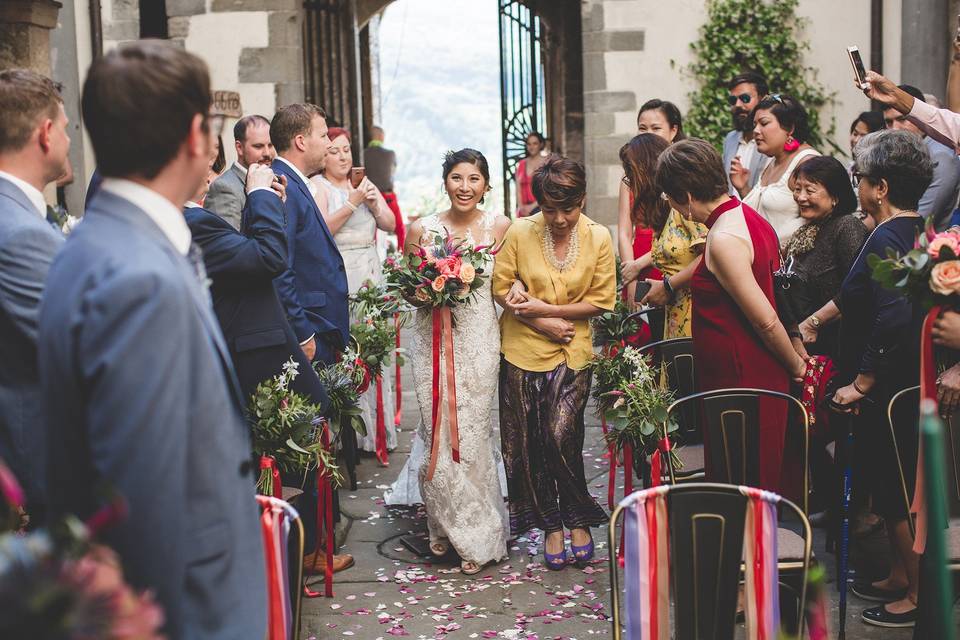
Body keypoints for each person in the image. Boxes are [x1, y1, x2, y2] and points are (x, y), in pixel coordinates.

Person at [38, 41, 266, 638]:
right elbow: (144, 494)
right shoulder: (140, 278)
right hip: (189, 604)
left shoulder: (95, 244)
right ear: (198, 135)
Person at [800, 130, 929, 628]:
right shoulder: (915, 228)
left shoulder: (886, 234)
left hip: (891, 390)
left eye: (860, 178)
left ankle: (917, 594)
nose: (857, 185)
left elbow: (892, 316)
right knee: (887, 482)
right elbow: (855, 295)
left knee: (896, 493)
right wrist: (814, 321)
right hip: (905, 382)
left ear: (880, 185)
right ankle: (899, 574)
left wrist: (865, 382)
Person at [656, 139, 806, 494]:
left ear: (687, 197)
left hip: (743, 379)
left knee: (744, 481)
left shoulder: (724, 237)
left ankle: (751, 549)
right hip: (740, 373)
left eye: (671, 199)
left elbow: (765, 318)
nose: (673, 207)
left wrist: (798, 368)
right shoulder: (749, 217)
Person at [494, 156, 615, 571]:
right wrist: (543, 320)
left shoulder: (599, 237)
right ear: (538, 204)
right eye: (550, 209)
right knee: (529, 442)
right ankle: (551, 526)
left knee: (561, 433)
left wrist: (543, 305)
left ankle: (576, 515)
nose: (560, 218)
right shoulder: (520, 232)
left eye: (569, 208)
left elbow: (601, 300)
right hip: (522, 351)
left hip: (573, 349)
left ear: (582, 199)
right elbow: (500, 286)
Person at [404, 149, 511, 575]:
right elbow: (408, 289)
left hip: (479, 340)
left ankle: (479, 533)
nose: (465, 187)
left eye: (474, 179)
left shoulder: (499, 226)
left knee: (470, 432)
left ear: (486, 184)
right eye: (456, 178)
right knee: (437, 429)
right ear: (444, 181)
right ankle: (444, 524)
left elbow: (507, 283)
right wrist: (431, 288)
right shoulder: (421, 229)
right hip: (431, 339)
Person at [0, 69, 69, 527]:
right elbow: (77, 342)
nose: (68, 137)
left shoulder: (22, 215)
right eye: (65, 128)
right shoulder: (20, 231)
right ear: (45, 134)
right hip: (38, 454)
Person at [312, 127, 398, 460]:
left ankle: (378, 431)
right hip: (341, 272)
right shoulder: (318, 188)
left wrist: (375, 204)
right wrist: (352, 203)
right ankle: (346, 432)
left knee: (376, 349)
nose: (343, 156)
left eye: (346, 149)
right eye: (334, 151)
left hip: (370, 272)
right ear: (323, 156)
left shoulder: (364, 185)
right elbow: (321, 230)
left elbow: (390, 224)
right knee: (349, 351)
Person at [271, 103, 349, 366]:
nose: (329, 143)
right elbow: (279, 266)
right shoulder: (282, 186)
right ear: (301, 141)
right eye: (324, 135)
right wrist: (303, 335)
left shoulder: (295, 183)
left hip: (321, 324)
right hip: (309, 329)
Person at [619, 134, 708, 338]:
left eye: (631, 173)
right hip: (673, 312)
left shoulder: (683, 206)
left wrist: (669, 285)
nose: (628, 181)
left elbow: (711, 255)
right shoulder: (659, 210)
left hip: (694, 311)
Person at [779, 156, 867, 360]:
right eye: (797, 189)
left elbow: (859, 290)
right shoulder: (807, 231)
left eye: (809, 190)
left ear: (835, 196)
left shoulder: (846, 227)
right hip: (806, 347)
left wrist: (814, 323)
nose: (800, 197)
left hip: (837, 349)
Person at [617, 99, 685, 308]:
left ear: (673, 131)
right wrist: (630, 274)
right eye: (642, 128)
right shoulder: (629, 177)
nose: (648, 133)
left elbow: (680, 235)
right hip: (636, 255)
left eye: (656, 128)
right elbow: (624, 232)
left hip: (668, 256)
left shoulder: (680, 173)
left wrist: (639, 265)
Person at [738, 94, 820, 248]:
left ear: (789, 128)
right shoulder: (773, 161)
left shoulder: (807, 163)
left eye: (764, 123)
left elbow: (817, 222)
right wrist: (743, 188)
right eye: (755, 124)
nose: (755, 130)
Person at [882, 85, 960, 232]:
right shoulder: (900, 154)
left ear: (919, 120)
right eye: (889, 122)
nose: (895, 129)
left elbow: (920, 219)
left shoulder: (940, 156)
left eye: (902, 119)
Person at [206, 114, 275, 229]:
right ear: (239, 148)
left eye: (271, 145)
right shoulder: (224, 188)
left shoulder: (274, 181)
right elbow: (228, 245)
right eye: (258, 146)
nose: (267, 153)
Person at [723, 71, 768, 196]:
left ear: (763, 99)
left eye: (745, 98)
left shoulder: (772, 140)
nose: (737, 105)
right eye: (733, 100)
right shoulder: (730, 139)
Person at [364, 125, 405, 248]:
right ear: (381, 137)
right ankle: (403, 256)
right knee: (400, 229)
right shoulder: (390, 154)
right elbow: (392, 171)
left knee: (372, 230)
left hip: (370, 196)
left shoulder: (363, 154)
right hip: (388, 196)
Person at [515, 131, 547, 217]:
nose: (531, 147)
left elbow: (548, 189)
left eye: (535, 143)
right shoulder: (521, 164)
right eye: (529, 144)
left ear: (541, 144)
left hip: (541, 207)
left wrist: (532, 206)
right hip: (523, 210)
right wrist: (521, 207)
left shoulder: (546, 162)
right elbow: (518, 190)